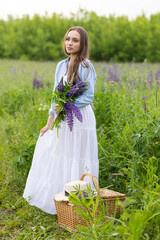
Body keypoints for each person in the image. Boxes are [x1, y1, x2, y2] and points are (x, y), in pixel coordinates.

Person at [23, 26, 99, 214]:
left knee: (77, 157)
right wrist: (49, 123)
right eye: (67, 39)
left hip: (80, 120)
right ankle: (62, 203)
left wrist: (67, 104)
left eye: (75, 40)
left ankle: (79, 205)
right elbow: (56, 96)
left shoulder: (86, 66)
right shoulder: (61, 65)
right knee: (60, 153)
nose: (69, 43)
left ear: (82, 44)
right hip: (64, 119)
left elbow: (88, 96)